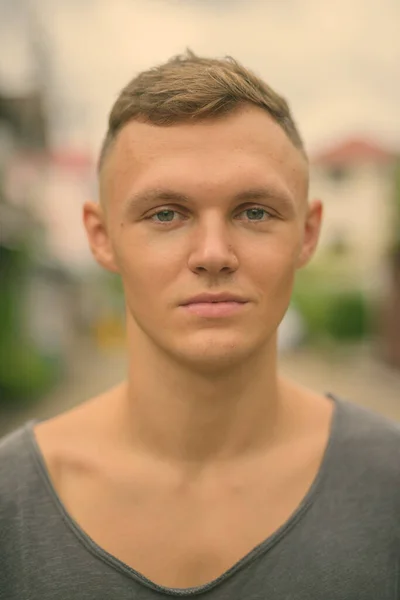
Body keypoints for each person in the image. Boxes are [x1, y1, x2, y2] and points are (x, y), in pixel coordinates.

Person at [1, 51, 399, 600]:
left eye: (254, 211)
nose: (213, 254)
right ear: (100, 236)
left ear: (308, 234)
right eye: (166, 213)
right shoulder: (9, 502)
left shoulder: (391, 485)